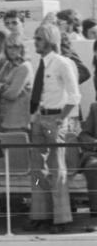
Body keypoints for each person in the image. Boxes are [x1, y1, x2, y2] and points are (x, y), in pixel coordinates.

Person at [27, 23, 81, 233]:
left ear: (49, 39)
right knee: (38, 169)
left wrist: (62, 118)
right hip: (40, 117)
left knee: (57, 169)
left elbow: (75, 95)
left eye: (39, 38)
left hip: (55, 118)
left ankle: (61, 218)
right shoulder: (40, 63)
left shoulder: (61, 64)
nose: (35, 41)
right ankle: (41, 214)